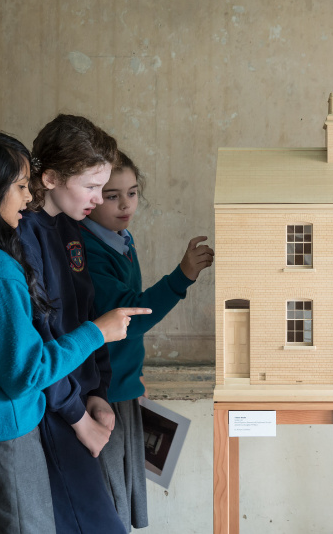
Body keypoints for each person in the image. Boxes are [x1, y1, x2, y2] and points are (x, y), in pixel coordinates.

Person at [0, 128, 149, 533]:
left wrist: (94, 390)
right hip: (2, 438)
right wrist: (97, 333)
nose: (28, 196)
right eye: (21, 186)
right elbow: (27, 372)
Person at [80, 151, 214, 531]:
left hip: (122, 388)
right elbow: (128, 318)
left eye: (133, 193)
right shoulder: (86, 249)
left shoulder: (122, 239)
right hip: (99, 394)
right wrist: (181, 277)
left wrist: (134, 378)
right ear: (91, 198)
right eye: (112, 195)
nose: (125, 205)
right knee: (107, 503)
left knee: (120, 495)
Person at [16, 114, 133, 533]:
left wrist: (97, 392)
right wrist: (77, 416)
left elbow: (86, 315)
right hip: (51, 411)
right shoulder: (22, 233)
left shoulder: (71, 228)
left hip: (80, 403)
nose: (99, 199)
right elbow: (36, 344)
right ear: (48, 177)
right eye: (91, 187)